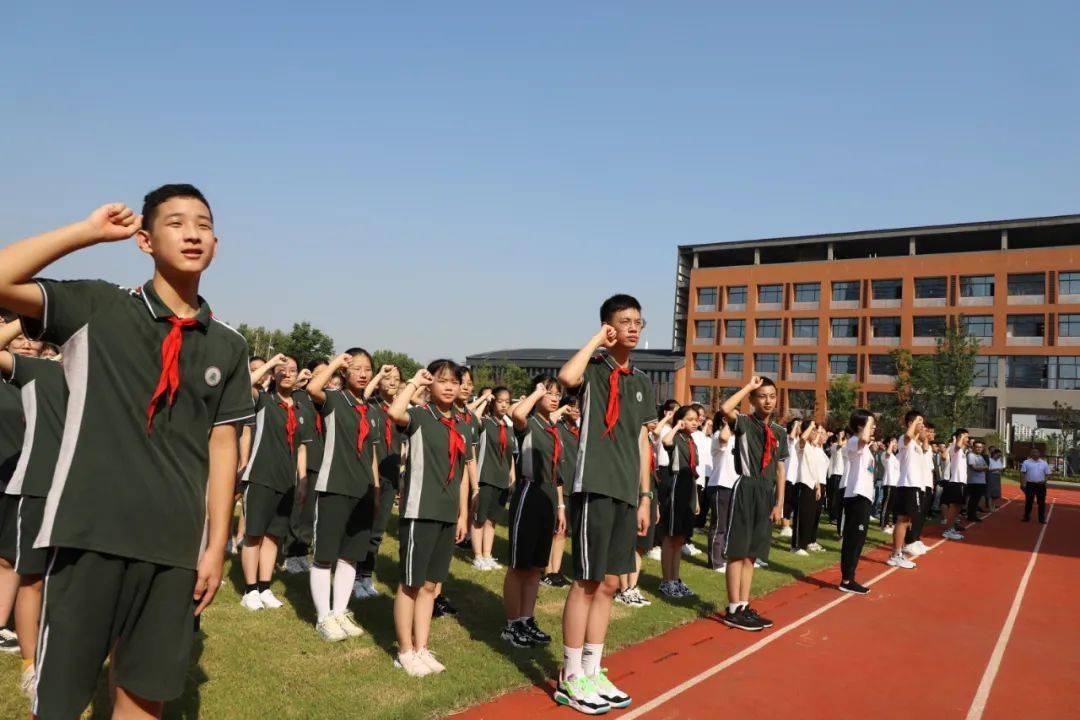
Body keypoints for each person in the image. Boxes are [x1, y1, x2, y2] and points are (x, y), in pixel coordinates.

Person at [0, 188, 255, 718]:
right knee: (60, 702)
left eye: (203, 225)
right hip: (89, 533)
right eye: (176, 223)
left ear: (216, 242)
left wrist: (215, 545)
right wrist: (86, 232)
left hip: (174, 548)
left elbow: (223, 443)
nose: (192, 233)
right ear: (144, 240)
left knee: (144, 696)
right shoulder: (100, 306)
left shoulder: (228, 345)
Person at [554, 294, 655, 715]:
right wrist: (597, 340)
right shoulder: (594, 370)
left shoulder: (642, 382)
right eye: (624, 321)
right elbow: (566, 376)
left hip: (626, 493)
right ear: (609, 326)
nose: (633, 328)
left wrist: (645, 496)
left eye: (638, 322)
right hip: (594, 486)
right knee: (586, 581)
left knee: (612, 583)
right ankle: (570, 675)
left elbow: (640, 440)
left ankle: (594, 668)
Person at [386, 360, 471, 677]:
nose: (449, 386)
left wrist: (462, 514)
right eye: (442, 380)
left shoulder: (462, 424)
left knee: (431, 586)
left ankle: (421, 647)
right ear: (431, 384)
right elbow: (395, 414)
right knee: (410, 583)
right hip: (420, 512)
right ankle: (404, 650)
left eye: (454, 381)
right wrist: (413, 383)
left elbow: (462, 474)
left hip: (448, 514)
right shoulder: (420, 416)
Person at [305, 350, 381, 642]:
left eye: (367, 369)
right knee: (325, 555)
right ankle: (323, 616)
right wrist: (336, 362)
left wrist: (374, 489)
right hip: (335, 485)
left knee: (350, 555)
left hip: (362, 490)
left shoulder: (371, 409)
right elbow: (313, 389)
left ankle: (340, 611)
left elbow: (372, 454)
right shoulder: (335, 399)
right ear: (346, 373)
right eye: (357, 368)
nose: (362, 374)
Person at [240, 354, 311, 612]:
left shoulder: (301, 409)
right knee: (254, 534)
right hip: (260, 477)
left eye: (292, 370)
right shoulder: (264, 400)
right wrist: (270, 365)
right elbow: (242, 383)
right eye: (283, 369)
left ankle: (264, 586)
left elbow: (302, 447)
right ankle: (249, 590)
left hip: (286, 483)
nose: (287, 373)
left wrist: (302, 480)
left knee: (273, 536)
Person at [717, 375, 788, 631]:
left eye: (772, 396)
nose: (768, 401)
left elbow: (781, 470)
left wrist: (779, 503)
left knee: (751, 555)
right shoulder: (745, 422)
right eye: (762, 396)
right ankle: (733, 607)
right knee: (737, 551)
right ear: (753, 400)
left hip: (766, 494)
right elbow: (725, 409)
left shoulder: (780, 432)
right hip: (746, 487)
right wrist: (749, 385)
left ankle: (744, 605)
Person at [502, 377, 567, 648]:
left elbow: (557, 473)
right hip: (529, 493)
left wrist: (561, 506)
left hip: (549, 496)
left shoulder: (554, 427)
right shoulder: (528, 423)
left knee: (537, 567)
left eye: (557, 395)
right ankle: (511, 624)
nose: (554, 398)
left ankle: (527, 619)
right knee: (519, 565)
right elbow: (516, 413)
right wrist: (536, 391)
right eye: (548, 393)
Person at [0, 318, 46, 690]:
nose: (28, 344)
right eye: (22, 339)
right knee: (15, 563)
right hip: (18, 478)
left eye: (34, 339)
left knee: (14, 560)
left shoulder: (49, 376)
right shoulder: (18, 377)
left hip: (32, 481)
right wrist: (21, 319)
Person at [356, 362, 406, 598]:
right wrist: (378, 375)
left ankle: (366, 574)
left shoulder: (401, 411)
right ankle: (355, 576)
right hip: (368, 474)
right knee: (363, 526)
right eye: (388, 378)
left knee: (377, 530)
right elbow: (363, 394)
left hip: (390, 477)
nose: (392, 382)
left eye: (396, 378)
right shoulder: (371, 405)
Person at [282, 358, 328, 574]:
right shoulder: (298, 395)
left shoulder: (325, 401)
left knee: (309, 512)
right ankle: (289, 552)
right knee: (296, 508)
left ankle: (302, 551)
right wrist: (298, 382)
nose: (323, 377)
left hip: (318, 460)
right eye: (318, 373)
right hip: (300, 459)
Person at [658, 405, 701, 598]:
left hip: (689, 486)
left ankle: (676, 579)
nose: (694, 422)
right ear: (681, 419)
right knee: (671, 537)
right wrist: (676, 425)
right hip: (676, 485)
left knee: (681, 538)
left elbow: (693, 471)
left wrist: (696, 500)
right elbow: (665, 440)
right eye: (690, 419)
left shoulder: (692, 441)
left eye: (696, 419)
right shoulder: (675, 437)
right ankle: (666, 581)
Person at [472, 386, 515, 570]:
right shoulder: (485, 422)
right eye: (500, 400)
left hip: (502, 478)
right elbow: (472, 419)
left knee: (492, 520)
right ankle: (478, 556)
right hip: (485, 476)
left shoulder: (508, 425)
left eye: (507, 401)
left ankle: (488, 555)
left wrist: (512, 475)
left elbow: (510, 454)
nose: (504, 405)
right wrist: (484, 399)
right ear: (493, 402)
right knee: (480, 518)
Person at [544, 395, 580, 588]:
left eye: (578, 407)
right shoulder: (558, 427)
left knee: (563, 532)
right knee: (555, 530)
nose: (575, 410)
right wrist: (562, 409)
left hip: (575, 486)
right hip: (560, 484)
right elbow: (549, 420)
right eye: (572, 407)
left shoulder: (581, 430)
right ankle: (547, 570)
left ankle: (555, 570)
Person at [839, 409, 876, 594]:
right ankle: (847, 579)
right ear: (861, 426)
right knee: (853, 539)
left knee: (858, 540)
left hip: (864, 497)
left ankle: (849, 577)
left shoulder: (865, 448)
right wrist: (866, 424)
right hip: (856, 496)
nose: (874, 427)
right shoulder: (854, 441)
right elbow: (863, 439)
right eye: (871, 423)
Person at [889, 411, 927, 569]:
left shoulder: (916, 444)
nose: (923, 425)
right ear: (911, 423)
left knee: (907, 520)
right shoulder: (904, 440)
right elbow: (907, 436)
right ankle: (896, 554)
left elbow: (924, 446)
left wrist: (921, 432)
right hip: (907, 485)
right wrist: (914, 423)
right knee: (903, 520)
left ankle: (897, 552)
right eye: (920, 422)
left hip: (914, 485)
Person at [706, 410, 738, 571]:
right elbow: (723, 438)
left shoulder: (735, 437)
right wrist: (726, 423)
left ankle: (723, 557)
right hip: (720, 485)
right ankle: (715, 561)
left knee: (728, 525)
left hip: (733, 486)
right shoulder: (718, 435)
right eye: (734, 415)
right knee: (719, 525)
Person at [791, 421, 828, 555]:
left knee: (809, 517)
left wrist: (818, 487)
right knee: (801, 515)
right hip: (802, 483)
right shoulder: (801, 444)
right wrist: (811, 426)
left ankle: (804, 544)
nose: (815, 433)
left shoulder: (813, 448)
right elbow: (802, 438)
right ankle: (796, 546)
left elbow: (814, 470)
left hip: (812, 484)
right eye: (813, 431)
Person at [940, 429, 970, 540]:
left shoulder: (961, 451)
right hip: (956, 482)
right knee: (954, 507)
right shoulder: (954, 448)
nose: (968, 439)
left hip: (961, 482)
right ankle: (948, 530)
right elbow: (956, 446)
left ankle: (951, 528)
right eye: (966, 437)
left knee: (957, 507)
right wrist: (960, 438)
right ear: (960, 437)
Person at [779, 418, 801, 538]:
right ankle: (784, 526)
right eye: (798, 425)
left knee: (792, 503)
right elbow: (791, 437)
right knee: (786, 502)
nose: (799, 428)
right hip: (788, 475)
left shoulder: (800, 440)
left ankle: (788, 524)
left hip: (797, 477)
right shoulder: (788, 438)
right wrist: (795, 424)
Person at [1020, 448, 1051, 523]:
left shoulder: (1044, 463)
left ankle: (1041, 518)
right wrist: (1023, 483)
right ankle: (1026, 517)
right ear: (1031, 454)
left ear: (1039, 454)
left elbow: (1048, 474)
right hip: (1030, 484)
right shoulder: (1026, 462)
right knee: (1029, 502)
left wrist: (1045, 480)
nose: (1035, 454)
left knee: (1041, 502)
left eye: (1036, 452)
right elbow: (1023, 473)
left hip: (1041, 485)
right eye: (1033, 452)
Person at [826, 430, 847, 524]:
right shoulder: (834, 445)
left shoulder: (845, 447)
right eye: (841, 434)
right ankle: (832, 517)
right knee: (834, 498)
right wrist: (840, 438)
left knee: (839, 498)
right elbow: (839, 446)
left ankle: (837, 517)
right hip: (835, 474)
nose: (843, 435)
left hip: (842, 475)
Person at [966, 440, 988, 523]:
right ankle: (971, 516)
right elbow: (974, 468)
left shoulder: (980, 457)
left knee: (976, 500)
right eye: (977, 447)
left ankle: (972, 515)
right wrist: (982, 468)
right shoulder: (971, 455)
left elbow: (986, 467)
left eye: (980, 447)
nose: (979, 449)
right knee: (973, 500)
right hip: (974, 482)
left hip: (981, 481)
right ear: (973, 447)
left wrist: (981, 468)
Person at [987, 447, 1004, 511]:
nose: (999, 457)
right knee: (990, 491)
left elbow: (1001, 468)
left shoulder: (999, 460)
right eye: (998, 455)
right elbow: (988, 469)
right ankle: (990, 507)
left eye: (1000, 455)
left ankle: (993, 506)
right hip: (991, 476)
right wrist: (997, 469)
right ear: (994, 454)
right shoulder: (989, 460)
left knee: (996, 492)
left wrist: (1001, 470)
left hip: (998, 476)